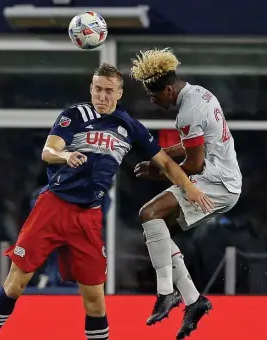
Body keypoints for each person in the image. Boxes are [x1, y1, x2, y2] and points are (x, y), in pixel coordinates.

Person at [0, 63, 212, 340]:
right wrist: (66, 156)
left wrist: (189, 187)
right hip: (53, 207)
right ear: (91, 88)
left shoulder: (130, 126)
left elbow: (164, 163)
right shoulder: (75, 115)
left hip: (88, 217)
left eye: (109, 91)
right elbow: (48, 150)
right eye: (98, 89)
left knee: (95, 300)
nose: (102, 96)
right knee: (15, 284)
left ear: (120, 93)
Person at [131, 48, 242, 339]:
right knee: (158, 228)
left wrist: (158, 170)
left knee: (149, 213)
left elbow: (194, 163)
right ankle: (194, 301)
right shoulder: (199, 93)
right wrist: (162, 156)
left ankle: (166, 292)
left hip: (216, 183)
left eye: (155, 96)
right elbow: (196, 145)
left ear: (168, 89)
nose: (153, 102)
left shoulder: (187, 113)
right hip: (226, 180)